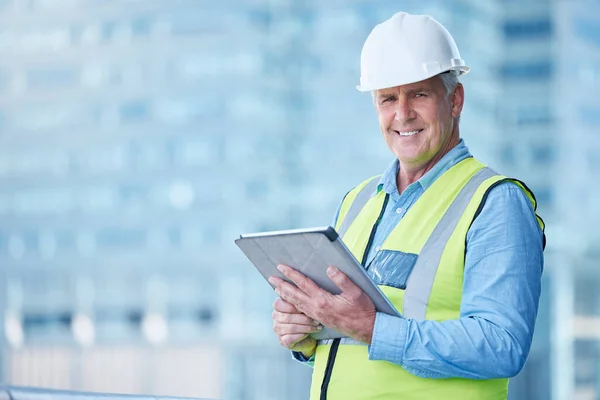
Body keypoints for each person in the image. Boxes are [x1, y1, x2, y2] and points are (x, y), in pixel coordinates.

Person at [268, 11, 545, 400]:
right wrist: (305, 333)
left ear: (455, 100)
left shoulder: (495, 203)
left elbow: (501, 345)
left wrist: (372, 328)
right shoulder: (357, 201)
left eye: (418, 94)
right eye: (387, 99)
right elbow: (350, 340)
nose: (402, 114)